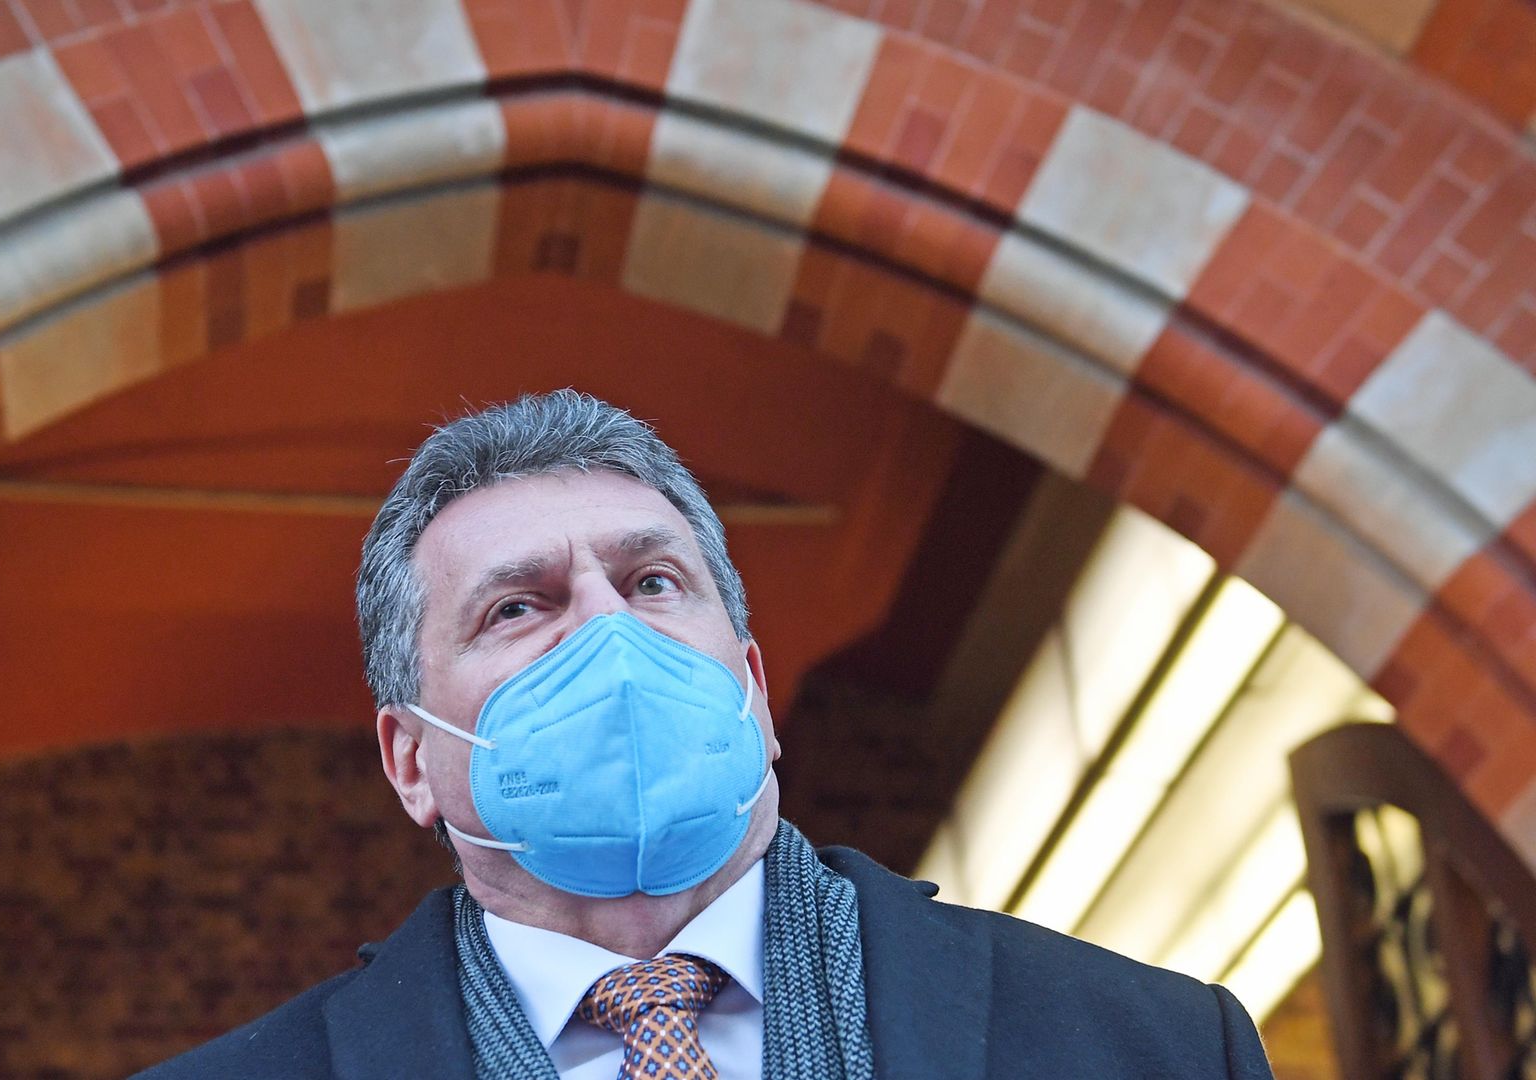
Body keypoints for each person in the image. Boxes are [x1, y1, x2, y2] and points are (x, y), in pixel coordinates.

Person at [137, 391, 1275, 1079]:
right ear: (410, 759)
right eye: (518, 607)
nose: (610, 636)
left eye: (654, 581)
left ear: (756, 689)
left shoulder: (1150, 1048)